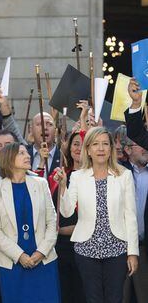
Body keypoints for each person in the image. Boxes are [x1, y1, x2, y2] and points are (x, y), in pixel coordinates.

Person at [57, 127, 139, 303]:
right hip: (86, 248)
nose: (100, 149)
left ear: (111, 149)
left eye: (105, 144)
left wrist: (132, 253)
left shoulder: (124, 175)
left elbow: (130, 216)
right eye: (95, 144)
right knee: (92, 298)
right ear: (88, 150)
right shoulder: (78, 177)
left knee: (115, 298)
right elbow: (66, 211)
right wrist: (63, 186)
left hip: (117, 247)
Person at [0, 142, 60, 303]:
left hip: (44, 261)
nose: (27, 156)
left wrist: (40, 253)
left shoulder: (41, 184)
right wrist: (20, 256)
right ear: (8, 159)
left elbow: (52, 222)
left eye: (26, 153)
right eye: (21, 153)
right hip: (12, 264)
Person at [48, 132, 86, 303]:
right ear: (69, 147)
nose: (79, 148)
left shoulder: (94, 178)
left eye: (84, 144)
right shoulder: (60, 175)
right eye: (76, 143)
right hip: (60, 247)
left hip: (84, 246)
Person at [122, 138, 148, 303]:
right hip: (121, 247)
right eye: (141, 144)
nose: (146, 148)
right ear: (128, 150)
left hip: (145, 246)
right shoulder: (118, 172)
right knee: (120, 296)